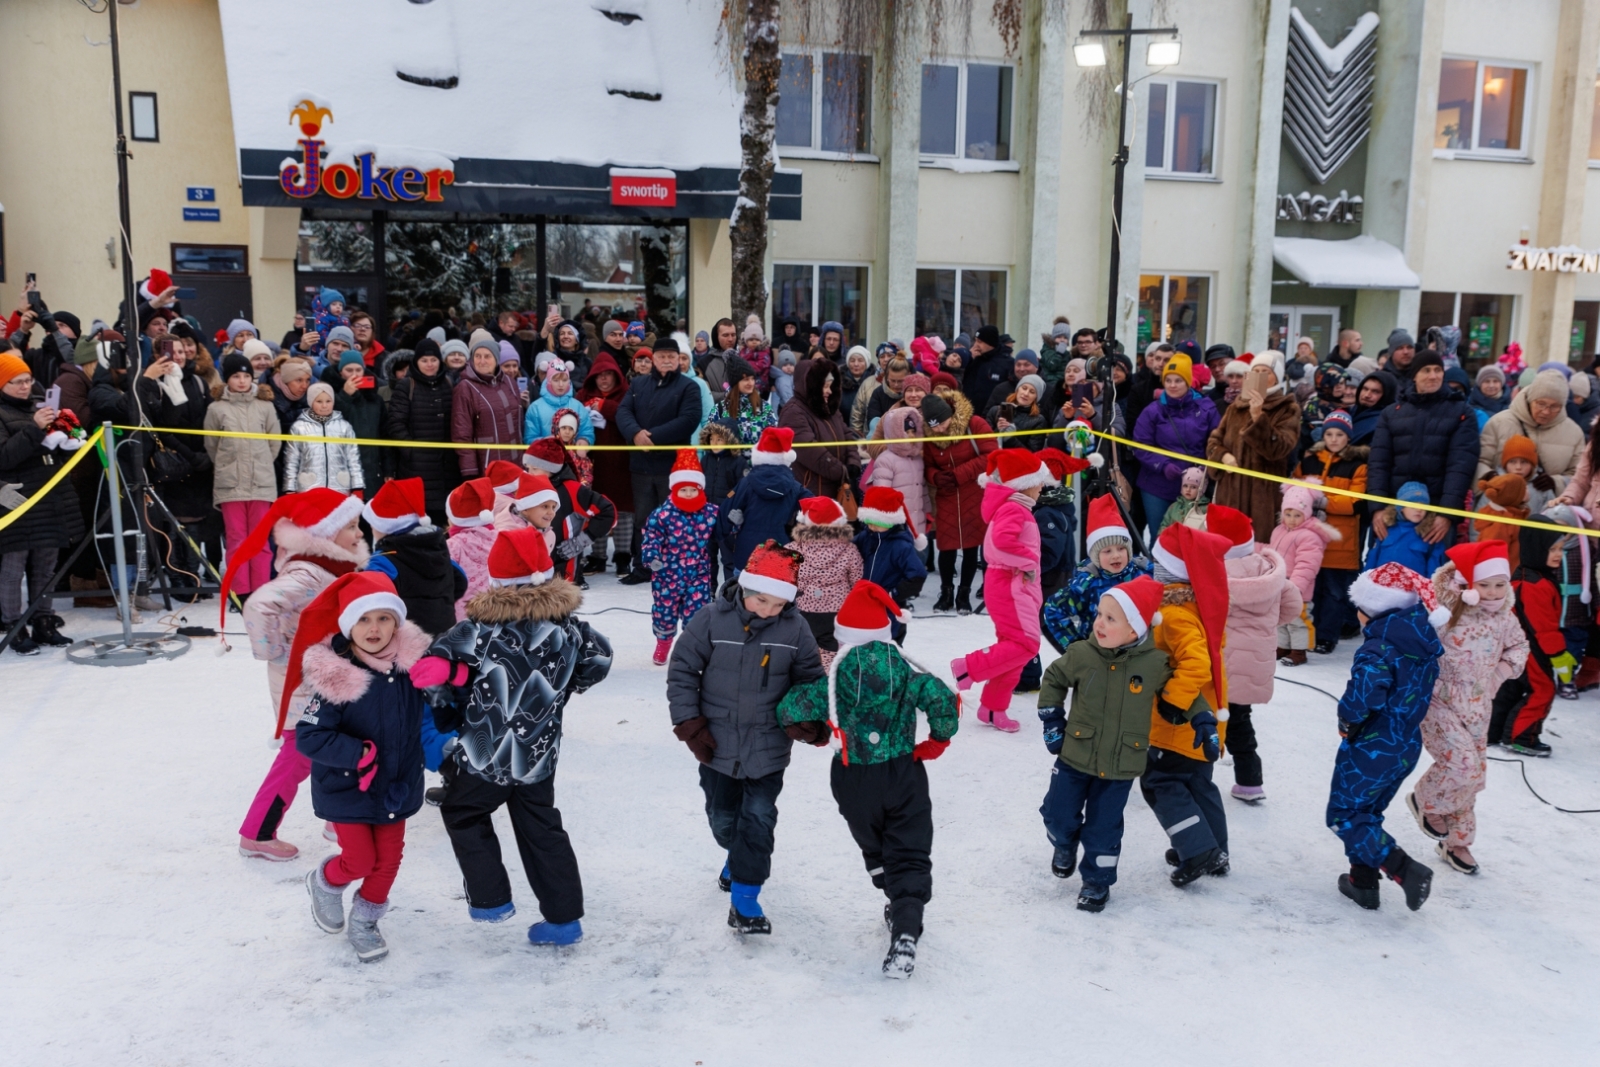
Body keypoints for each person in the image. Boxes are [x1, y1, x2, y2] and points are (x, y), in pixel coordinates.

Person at [419, 527, 612, 945]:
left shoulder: (478, 631)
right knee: (542, 828)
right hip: (538, 756)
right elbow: (601, 659)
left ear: (496, 582)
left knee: (462, 813)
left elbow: (433, 665)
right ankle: (563, 921)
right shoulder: (571, 630)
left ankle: (491, 900)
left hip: (484, 755)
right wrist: (563, 688)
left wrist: (448, 706)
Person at [775, 580, 959, 979]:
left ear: (844, 635)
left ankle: (887, 888)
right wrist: (937, 740)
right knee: (909, 850)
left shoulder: (834, 677)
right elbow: (943, 698)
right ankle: (907, 926)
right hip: (902, 771)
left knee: (873, 841)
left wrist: (815, 731)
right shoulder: (906, 671)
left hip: (852, 776)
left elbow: (790, 708)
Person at [666, 543, 824, 935]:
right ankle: (733, 857)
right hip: (717, 744)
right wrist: (691, 724)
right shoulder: (709, 620)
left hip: (768, 748)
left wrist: (808, 716)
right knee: (723, 820)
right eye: (761, 601)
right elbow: (683, 670)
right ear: (744, 589)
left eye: (777, 604)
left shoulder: (795, 628)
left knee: (757, 819)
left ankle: (746, 903)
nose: (768, 611)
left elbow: (810, 679)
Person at [290, 572, 431, 962]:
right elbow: (309, 736)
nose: (374, 628)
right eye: (364, 619)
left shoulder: (412, 670)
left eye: (384, 618)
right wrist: (358, 754)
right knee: (360, 860)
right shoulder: (336, 675)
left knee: (388, 861)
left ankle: (366, 921)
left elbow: (437, 714)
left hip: (397, 784)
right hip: (347, 788)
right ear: (349, 624)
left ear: (397, 623)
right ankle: (325, 881)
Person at [231, 489, 368, 860]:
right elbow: (259, 606)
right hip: (302, 681)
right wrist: (274, 650)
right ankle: (257, 833)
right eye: (352, 527)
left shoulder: (331, 567)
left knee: (333, 747)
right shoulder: (309, 572)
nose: (359, 535)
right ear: (325, 534)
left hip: (322, 678)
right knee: (300, 755)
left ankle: (336, 820)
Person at [1037, 576, 1171, 911]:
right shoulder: (1082, 653)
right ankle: (1064, 844)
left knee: (1104, 828)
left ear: (1134, 630)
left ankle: (1096, 882)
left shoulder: (1154, 664)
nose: (1099, 623)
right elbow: (1053, 678)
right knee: (1057, 814)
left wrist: (1199, 719)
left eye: (1111, 619)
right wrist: (1052, 718)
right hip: (1075, 754)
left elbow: (1180, 692)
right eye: (1099, 614)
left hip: (1121, 764)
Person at [1328, 563, 1447, 912]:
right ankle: (1362, 882)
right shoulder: (1421, 639)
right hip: (1406, 744)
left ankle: (1404, 869)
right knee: (1366, 812)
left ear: (1372, 611)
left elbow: (1365, 693)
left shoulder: (1377, 648)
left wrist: (1347, 718)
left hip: (1373, 746)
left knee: (1344, 815)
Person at [1409, 542, 1528, 876]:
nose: (1492, 592)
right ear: (1468, 584)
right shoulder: (1448, 612)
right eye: (1484, 584)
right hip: (1439, 700)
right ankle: (1426, 799)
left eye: (1499, 584)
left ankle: (1456, 842)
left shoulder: (1505, 617)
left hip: (1478, 705)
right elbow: (1417, 642)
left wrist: (1500, 675)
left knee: (1473, 776)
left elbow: (1519, 647)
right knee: (1461, 765)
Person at [1140, 523, 1234, 885]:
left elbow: (1197, 663)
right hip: (1206, 718)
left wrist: (1172, 701)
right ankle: (1215, 849)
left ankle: (1196, 850)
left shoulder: (1174, 614)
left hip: (1180, 725)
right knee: (1199, 787)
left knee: (1161, 783)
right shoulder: (1201, 606)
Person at [1199, 505, 1301, 804]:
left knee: (1204, 719)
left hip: (1215, 665)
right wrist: (1267, 625)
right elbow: (1292, 606)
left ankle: (1198, 776)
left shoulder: (1208, 571)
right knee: (1240, 721)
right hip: (1253, 666)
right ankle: (1250, 782)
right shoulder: (1270, 572)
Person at [950, 449, 1050, 733]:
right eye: (1039, 479)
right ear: (1023, 482)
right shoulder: (1013, 508)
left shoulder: (1016, 507)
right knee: (1026, 645)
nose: (1042, 485)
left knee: (1014, 649)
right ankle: (968, 667)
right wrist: (1029, 562)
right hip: (1010, 585)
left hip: (1015, 585)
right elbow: (1001, 543)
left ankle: (993, 709)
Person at [0, 353, 84, 653]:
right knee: (13, 568)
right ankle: (14, 625)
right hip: (17, 501)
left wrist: (68, 434)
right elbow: (5, 456)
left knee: (47, 567)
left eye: (28, 380)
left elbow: (56, 453)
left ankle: (44, 621)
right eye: (17, 382)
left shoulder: (40, 404)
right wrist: (36, 429)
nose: (25, 387)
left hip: (50, 499)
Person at [1367, 350, 1478, 551]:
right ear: (1415, 376)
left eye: (1438, 370)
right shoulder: (1392, 413)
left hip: (1436, 512)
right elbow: (1378, 464)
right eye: (1426, 370)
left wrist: (1447, 514)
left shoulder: (1461, 412)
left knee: (1432, 576)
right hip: (1394, 510)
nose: (1433, 375)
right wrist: (1377, 508)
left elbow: (1460, 466)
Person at [615, 340, 703, 585]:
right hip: (641, 466)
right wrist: (635, 434)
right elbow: (623, 412)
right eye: (662, 355)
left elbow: (689, 419)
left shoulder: (689, 387)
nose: (666, 360)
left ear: (679, 359)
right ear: (653, 359)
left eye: (671, 356)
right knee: (642, 519)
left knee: (673, 519)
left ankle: (671, 567)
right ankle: (643, 567)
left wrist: (651, 437)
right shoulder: (638, 384)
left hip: (671, 467)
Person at [204, 352, 282, 600]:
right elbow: (212, 445)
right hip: (231, 485)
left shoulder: (265, 406)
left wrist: (260, 464)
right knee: (237, 538)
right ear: (227, 379)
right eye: (236, 376)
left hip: (260, 483)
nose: (241, 381)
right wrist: (229, 465)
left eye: (246, 376)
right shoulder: (216, 409)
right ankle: (240, 590)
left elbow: (274, 442)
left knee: (259, 539)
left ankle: (260, 588)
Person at [1491, 524, 1571, 756]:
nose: (1558, 554)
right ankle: (1521, 737)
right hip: (1533, 649)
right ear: (1537, 549)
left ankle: (1492, 732)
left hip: (1518, 646)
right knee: (1542, 690)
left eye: (1561, 549)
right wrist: (1558, 655)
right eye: (1552, 549)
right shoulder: (1535, 585)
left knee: (1512, 688)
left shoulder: (1527, 575)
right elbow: (1543, 628)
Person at [1206, 355, 1300, 543]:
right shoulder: (1235, 407)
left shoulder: (1287, 408)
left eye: (1265, 372)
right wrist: (1223, 456)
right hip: (1230, 493)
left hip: (1262, 498)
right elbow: (1213, 441)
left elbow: (1279, 449)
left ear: (1276, 377)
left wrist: (1258, 417)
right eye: (1255, 372)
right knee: (1227, 548)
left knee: (1258, 552)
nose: (1259, 376)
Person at [1295, 409, 1367, 654]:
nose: (1334, 439)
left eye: (1339, 434)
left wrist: (1323, 501)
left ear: (1348, 437)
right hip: (1310, 539)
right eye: (1329, 434)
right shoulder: (1309, 461)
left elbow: (1354, 503)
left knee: (1335, 593)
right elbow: (1295, 490)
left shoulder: (1357, 466)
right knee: (1310, 588)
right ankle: (1307, 632)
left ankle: (1327, 636)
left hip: (1341, 542)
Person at [1042, 494, 1152, 653]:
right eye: (1107, 551)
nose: (1116, 555)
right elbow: (1054, 609)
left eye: (1121, 549)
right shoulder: (1087, 583)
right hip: (1101, 657)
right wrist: (1077, 647)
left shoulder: (1143, 574)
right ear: (1096, 556)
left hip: (1141, 654)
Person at [641, 451, 720, 664]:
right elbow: (651, 537)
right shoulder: (662, 515)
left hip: (698, 573)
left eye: (692, 490)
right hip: (667, 573)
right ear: (674, 489)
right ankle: (663, 643)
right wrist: (652, 557)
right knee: (664, 613)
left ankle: (691, 649)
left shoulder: (710, 513)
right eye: (683, 489)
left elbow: (724, 527)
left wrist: (734, 521)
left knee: (697, 615)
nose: (687, 494)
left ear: (699, 489)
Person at [363, 477, 468, 636]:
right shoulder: (437, 547)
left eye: (373, 525)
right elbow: (461, 578)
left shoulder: (384, 560)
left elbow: (369, 597)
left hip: (407, 639)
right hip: (445, 633)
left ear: (384, 527)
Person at [922, 390, 996, 614]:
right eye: (933, 426)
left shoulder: (975, 424)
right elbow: (925, 465)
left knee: (971, 545)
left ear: (951, 415)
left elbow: (990, 455)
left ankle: (964, 594)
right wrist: (935, 476)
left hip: (974, 491)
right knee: (946, 545)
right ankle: (946, 593)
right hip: (946, 494)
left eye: (942, 423)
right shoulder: (928, 436)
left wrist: (960, 473)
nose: (939, 429)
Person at [1134, 351, 1220, 541]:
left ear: (1188, 382)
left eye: (1178, 380)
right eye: (1168, 380)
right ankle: (1158, 570)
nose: (1172, 385)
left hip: (1195, 484)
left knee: (1193, 537)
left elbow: (1216, 442)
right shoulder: (1153, 411)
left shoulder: (1206, 408)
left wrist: (1205, 467)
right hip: (1157, 485)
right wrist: (1162, 465)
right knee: (1161, 537)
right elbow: (1141, 444)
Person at [385, 338, 459, 527]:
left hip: (446, 469)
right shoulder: (406, 386)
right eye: (424, 360)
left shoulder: (448, 383)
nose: (429, 364)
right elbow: (395, 424)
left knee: (444, 521)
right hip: (416, 468)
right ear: (416, 362)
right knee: (418, 520)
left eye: (433, 360)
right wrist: (412, 452)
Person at [784, 496, 863, 665]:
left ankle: (808, 680)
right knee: (831, 652)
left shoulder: (793, 549)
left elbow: (783, 579)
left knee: (804, 649)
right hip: (836, 611)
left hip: (804, 609)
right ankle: (828, 681)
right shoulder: (849, 550)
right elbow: (857, 581)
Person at [1475, 369, 1582, 493]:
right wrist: (1490, 478)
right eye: (1541, 404)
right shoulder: (1499, 423)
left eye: (1554, 406)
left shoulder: (1574, 433)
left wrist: (1556, 483)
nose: (1546, 411)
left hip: (1547, 508)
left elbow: (1579, 477)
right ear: (1530, 399)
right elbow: (1480, 461)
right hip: (1498, 504)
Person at [576, 350, 633, 574]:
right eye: (600, 375)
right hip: (593, 465)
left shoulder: (626, 394)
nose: (604, 379)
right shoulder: (582, 395)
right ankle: (597, 556)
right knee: (596, 510)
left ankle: (623, 556)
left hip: (622, 464)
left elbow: (629, 418)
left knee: (625, 511)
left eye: (609, 374)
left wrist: (604, 406)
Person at [1270, 485, 1339, 666]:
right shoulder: (1279, 531)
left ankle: (1299, 651)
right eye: (1288, 514)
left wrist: (1296, 587)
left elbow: (1307, 564)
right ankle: (1283, 646)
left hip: (1297, 589)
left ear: (1307, 514)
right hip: (1278, 584)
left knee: (1297, 620)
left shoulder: (1310, 536)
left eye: (1297, 515)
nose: (1292, 520)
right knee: (1281, 618)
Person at [721, 426, 805, 574]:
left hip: (746, 553)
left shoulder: (746, 482)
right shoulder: (795, 487)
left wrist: (727, 537)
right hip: (780, 550)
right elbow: (814, 507)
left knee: (744, 595)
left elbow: (726, 511)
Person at [855, 486, 929, 641]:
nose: (872, 526)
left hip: (890, 607)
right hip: (865, 602)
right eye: (868, 521)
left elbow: (917, 574)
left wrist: (893, 594)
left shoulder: (900, 546)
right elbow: (848, 549)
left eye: (877, 522)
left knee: (890, 645)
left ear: (890, 520)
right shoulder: (867, 537)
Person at [452, 329, 525, 481]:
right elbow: (461, 434)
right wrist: (469, 471)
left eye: (487, 356)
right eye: (477, 356)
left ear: (496, 359)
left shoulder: (510, 383)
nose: (482, 361)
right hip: (486, 468)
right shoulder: (465, 387)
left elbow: (519, 424)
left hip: (516, 465)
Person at [780, 358, 857, 500]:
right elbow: (811, 452)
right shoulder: (793, 412)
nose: (829, 391)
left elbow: (847, 435)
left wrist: (853, 461)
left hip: (836, 490)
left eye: (831, 386)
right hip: (811, 495)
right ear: (812, 386)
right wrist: (841, 471)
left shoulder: (829, 408)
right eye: (825, 386)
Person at [284, 382, 364, 494]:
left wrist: (357, 486)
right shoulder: (299, 428)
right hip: (308, 490)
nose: (324, 406)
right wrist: (290, 488)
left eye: (328, 401)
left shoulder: (344, 427)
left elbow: (353, 458)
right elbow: (292, 461)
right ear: (311, 402)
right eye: (319, 401)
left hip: (339, 489)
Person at [1366, 482, 1447, 577]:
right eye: (1413, 505)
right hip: (1383, 586)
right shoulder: (1386, 528)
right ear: (1401, 508)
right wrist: (1364, 581)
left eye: (1423, 505)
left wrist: (1430, 588)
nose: (1419, 509)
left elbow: (1434, 564)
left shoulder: (1429, 534)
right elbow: (1373, 557)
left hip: (1413, 588)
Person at [444, 479, 500, 617]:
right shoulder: (501, 539)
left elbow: (446, 581)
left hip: (463, 616)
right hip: (497, 612)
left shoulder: (453, 545)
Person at [524, 359, 595, 444]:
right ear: (549, 381)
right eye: (556, 380)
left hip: (571, 456)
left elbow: (587, 431)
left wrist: (584, 441)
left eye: (565, 380)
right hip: (544, 456)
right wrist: (547, 443)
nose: (561, 385)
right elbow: (529, 438)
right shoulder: (535, 408)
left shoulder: (578, 406)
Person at [1472, 475, 1528, 568]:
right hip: (1503, 577)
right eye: (1524, 488)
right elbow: (1492, 556)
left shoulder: (1513, 516)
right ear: (1511, 495)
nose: (1528, 490)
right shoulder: (1500, 525)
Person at [962, 324, 1010, 414]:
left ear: (990, 342)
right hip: (968, 415)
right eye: (975, 341)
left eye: (980, 341)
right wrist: (968, 358)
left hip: (992, 418)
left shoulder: (1007, 363)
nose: (976, 345)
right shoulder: (974, 358)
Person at [1347, 368, 1396, 447]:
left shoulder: (1384, 421)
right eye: (1365, 389)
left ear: (1386, 395)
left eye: (1375, 391)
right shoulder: (1350, 411)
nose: (1367, 395)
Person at [1159, 466, 1208, 533]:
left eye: (1193, 487)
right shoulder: (1174, 506)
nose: (1188, 490)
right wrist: (1162, 537)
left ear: (1202, 489)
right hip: (1174, 541)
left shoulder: (1205, 509)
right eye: (1185, 486)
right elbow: (1165, 524)